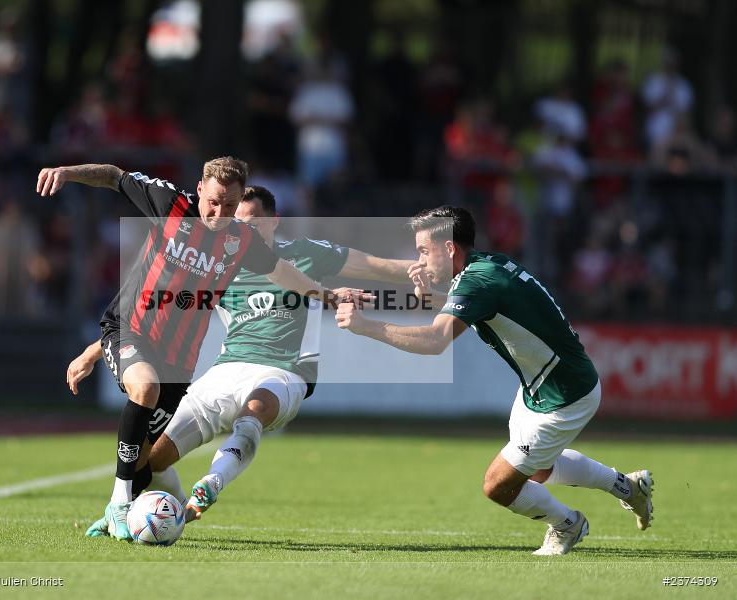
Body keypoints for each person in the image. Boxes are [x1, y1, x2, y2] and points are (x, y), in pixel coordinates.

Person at [36, 158, 348, 540]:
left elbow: (282, 272)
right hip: (128, 329)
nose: (219, 213)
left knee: (146, 461)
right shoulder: (170, 205)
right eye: (214, 201)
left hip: (179, 360)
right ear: (200, 189)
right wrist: (67, 173)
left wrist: (325, 294)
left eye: (230, 206)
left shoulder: (241, 240)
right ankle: (118, 505)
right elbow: (115, 177)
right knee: (145, 389)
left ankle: (130, 511)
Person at [67, 185, 414, 521]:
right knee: (149, 461)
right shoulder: (218, 263)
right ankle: (159, 514)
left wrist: (424, 273)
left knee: (254, 412)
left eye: (253, 221)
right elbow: (154, 315)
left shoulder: (305, 253)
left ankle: (211, 484)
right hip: (226, 369)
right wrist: (94, 352)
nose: (243, 227)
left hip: (284, 371)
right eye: (238, 221)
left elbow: (373, 265)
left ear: (274, 220)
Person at [334, 206, 654, 556]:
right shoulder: (486, 264)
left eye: (424, 251)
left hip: (565, 396)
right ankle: (629, 487)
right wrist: (430, 298)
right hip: (542, 386)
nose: (420, 261)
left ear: (450, 249)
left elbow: (434, 342)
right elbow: (475, 304)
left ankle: (568, 524)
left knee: (498, 485)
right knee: (539, 469)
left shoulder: (479, 279)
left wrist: (366, 326)